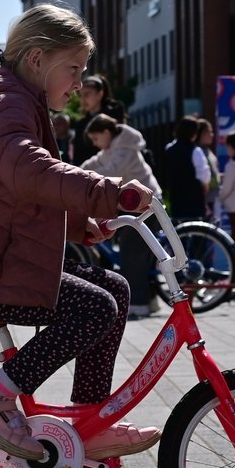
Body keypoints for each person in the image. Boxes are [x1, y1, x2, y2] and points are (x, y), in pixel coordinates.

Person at [0, 3, 159, 463]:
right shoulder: (7, 102)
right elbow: (28, 171)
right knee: (94, 307)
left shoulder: (17, 100)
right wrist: (111, 193)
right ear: (38, 60)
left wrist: (85, 226)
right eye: (74, 69)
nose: (80, 84)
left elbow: (21, 191)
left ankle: (88, 421)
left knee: (115, 289)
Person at [81, 113, 163, 318]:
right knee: (141, 254)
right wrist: (75, 173)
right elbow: (94, 163)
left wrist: (85, 181)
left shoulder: (125, 150)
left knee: (132, 253)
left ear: (107, 133)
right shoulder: (112, 148)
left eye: (96, 138)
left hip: (146, 205)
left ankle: (137, 303)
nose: (95, 144)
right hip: (134, 203)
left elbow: (111, 171)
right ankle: (149, 301)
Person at [158, 116, 211, 221]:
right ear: (194, 133)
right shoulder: (196, 151)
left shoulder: (169, 149)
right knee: (196, 229)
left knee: (178, 229)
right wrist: (205, 187)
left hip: (176, 197)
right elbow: (204, 176)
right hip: (194, 198)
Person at [72, 74, 127, 164]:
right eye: (81, 95)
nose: (83, 99)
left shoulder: (114, 115)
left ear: (100, 94)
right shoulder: (81, 124)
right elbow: (78, 156)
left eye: (87, 94)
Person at [195, 118, 223, 219]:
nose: (212, 135)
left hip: (214, 196)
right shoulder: (198, 151)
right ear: (202, 133)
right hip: (206, 198)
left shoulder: (207, 150)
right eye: (209, 132)